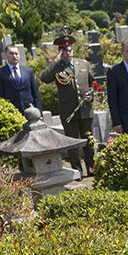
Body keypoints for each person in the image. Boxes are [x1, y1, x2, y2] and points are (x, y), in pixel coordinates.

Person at [40, 31, 95, 175]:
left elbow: (92, 83)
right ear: (60, 52)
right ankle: (77, 170)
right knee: (72, 143)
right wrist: (55, 61)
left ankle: (91, 168)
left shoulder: (83, 64)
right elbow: (45, 78)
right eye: (64, 50)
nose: (68, 52)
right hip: (68, 111)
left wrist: (92, 96)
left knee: (89, 141)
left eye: (70, 49)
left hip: (85, 110)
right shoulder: (56, 68)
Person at [0, 43, 40, 114]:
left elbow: (35, 93)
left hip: (30, 111)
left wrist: (39, 112)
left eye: (16, 54)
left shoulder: (28, 71)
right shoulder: (0, 73)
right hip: (12, 112)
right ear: (5, 55)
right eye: (11, 54)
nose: (14, 56)